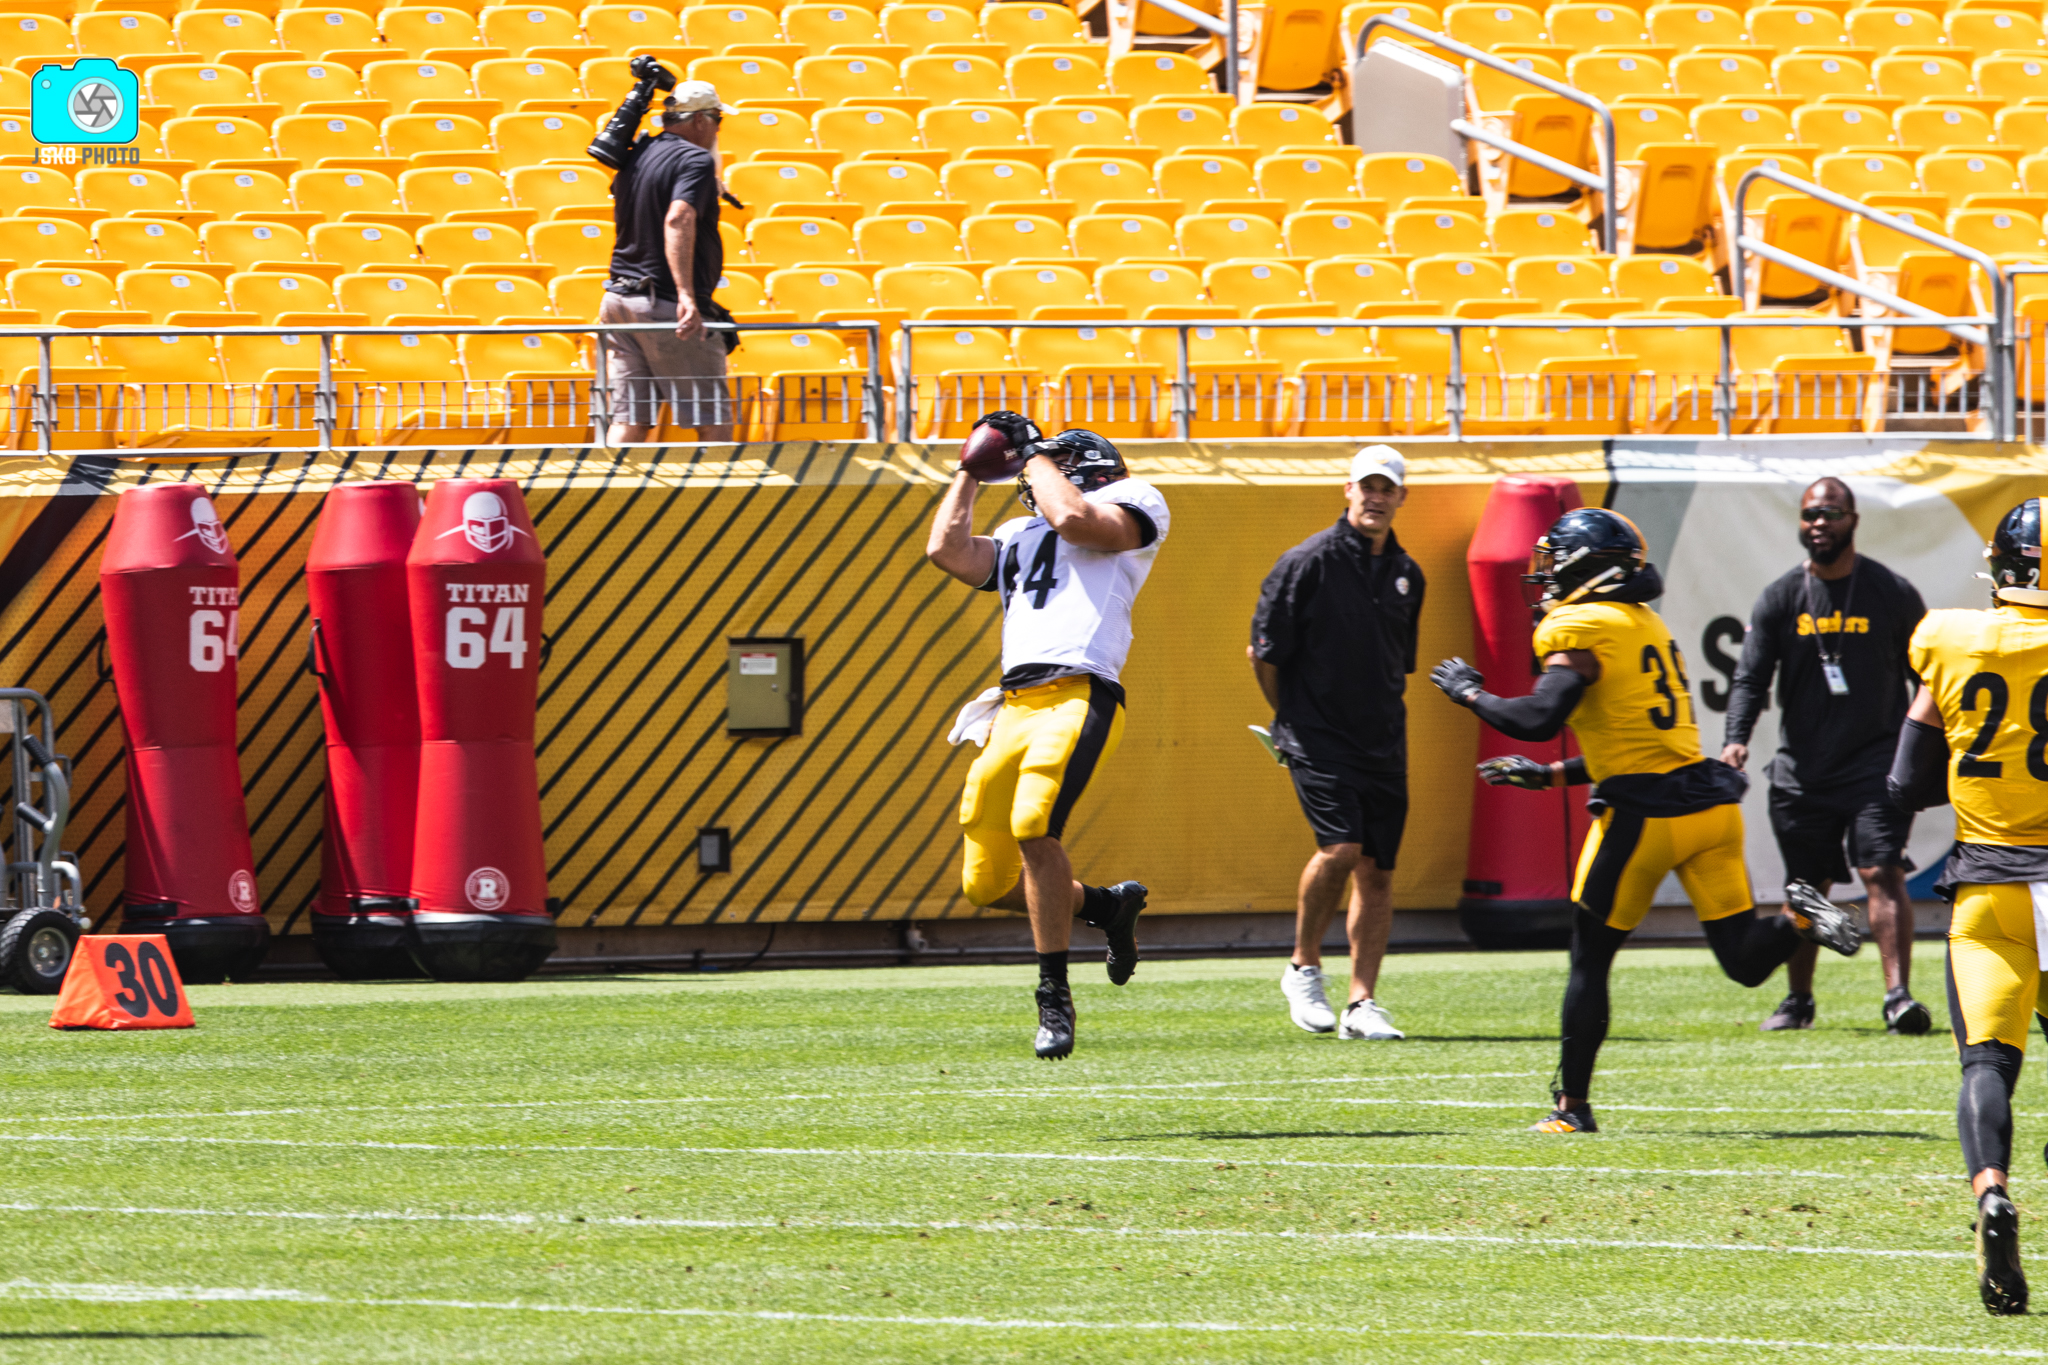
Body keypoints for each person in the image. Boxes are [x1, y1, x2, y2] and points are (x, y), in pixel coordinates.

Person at [1430, 507, 1861, 1134]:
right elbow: (1635, 746)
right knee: (1743, 961)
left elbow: (1538, 719)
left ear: (1589, 569)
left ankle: (1571, 1109)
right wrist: (1550, 777)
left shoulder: (1579, 624)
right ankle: (1797, 915)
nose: (1546, 578)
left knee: (1590, 960)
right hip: (1708, 809)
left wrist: (1470, 692)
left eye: (1557, 563)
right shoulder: (1644, 624)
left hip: (1644, 820)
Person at [925, 411, 1164, 1060]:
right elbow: (946, 550)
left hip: (1080, 693)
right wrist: (969, 472)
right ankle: (1109, 908)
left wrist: (1032, 454)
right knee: (985, 880)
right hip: (1014, 704)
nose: (1028, 485)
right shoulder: (1019, 531)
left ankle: (1053, 993)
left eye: (1039, 472)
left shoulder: (1133, 501)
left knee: (1035, 825)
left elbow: (1077, 522)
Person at [1888, 498, 2048, 1316]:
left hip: (1990, 888)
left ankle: (1991, 1190)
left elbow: (1907, 780)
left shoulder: (1950, 637)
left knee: (1987, 1062)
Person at [1721, 476, 1930, 1034]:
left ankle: (1898, 998)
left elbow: (1928, 676)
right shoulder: (1781, 596)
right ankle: (1799, 1001)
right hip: (1804, 768)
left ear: (1853, 521)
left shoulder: (1891, 592)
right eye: (1811, 513)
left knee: (1881, 870)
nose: (1820, 523)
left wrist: (1934, 747)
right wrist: (1735, 738)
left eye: (1832, 513)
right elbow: (1750, 677)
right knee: (1807, 888)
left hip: (1875, 762)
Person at [1249, 445, 1422, 1042]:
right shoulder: (1307, 563)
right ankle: (1303, 967)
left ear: (1402, 496)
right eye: (1366, 486)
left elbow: (1397, 666)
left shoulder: (1408, 574)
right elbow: (1264, 656)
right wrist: (1290, 722)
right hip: (1316, 735)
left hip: (1383, 740)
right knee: (1342, 850)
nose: (1376, 496)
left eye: (1387, 487)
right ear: (1347, 490)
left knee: (1377, 871)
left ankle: (1362, 1003)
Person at [598, 78, 734, 444]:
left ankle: (610, 496)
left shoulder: (639, 152)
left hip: (619, 300)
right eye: (718, 120)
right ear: (702, 121)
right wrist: (687, 296)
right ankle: (722, 499)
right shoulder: (695, 159)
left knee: (630, 418)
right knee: (712, 419)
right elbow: (677, 218)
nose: (718, 129)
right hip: (665, 304)